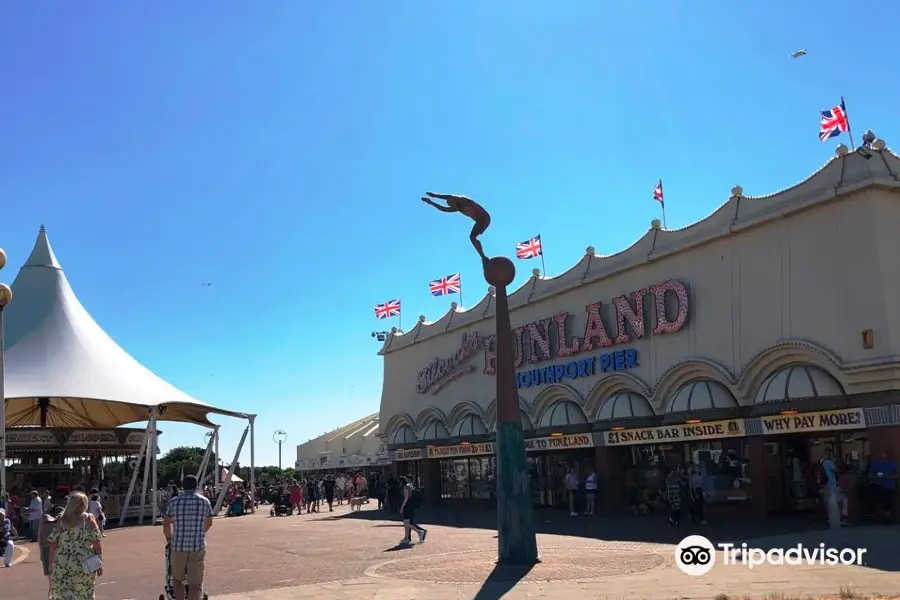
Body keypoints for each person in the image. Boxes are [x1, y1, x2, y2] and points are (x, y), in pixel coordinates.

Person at [163, 475, 213, 600]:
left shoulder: (175, 501)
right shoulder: (204, 501)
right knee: (195, 584)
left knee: (177, 580)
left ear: (182, 486)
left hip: (178, 546)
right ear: (196, 486)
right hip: (197, 546)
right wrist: (201, 532)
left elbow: (166, 523)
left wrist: (169, 539)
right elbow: (209, 522)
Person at [48, 492, 103, 599]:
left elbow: (53, 544)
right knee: (84, 593)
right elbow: (96, 543)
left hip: (62, 563)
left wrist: (51, 564)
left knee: (63, 594)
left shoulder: (61, 519)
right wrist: (99, 561)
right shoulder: (88, 518)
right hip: (84, 563)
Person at [421, 192, 492, 263]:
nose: (452, 206)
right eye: (451, 206)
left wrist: (435, 195)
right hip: (481, 221)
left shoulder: (463, 200)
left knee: (472, 237)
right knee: (472, 238)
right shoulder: (457, 208)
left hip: (484, 218)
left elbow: (448, 196)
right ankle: (483, 256)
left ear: (454, 200)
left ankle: (483, 256)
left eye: (452, 204)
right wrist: (430, 202)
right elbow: (443, 208)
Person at [868, 450, 898, 523]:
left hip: (889, 486)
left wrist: (887, 476)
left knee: (888, 494)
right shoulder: (875, 465)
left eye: (882, 453)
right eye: (879, 453)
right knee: (879, 492)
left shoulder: (892, 464)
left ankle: (887, 514)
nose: (881, 455)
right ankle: (883, 515)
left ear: (886, 455)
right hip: (878, 485)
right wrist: (877, 477)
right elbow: (870, 476)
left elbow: (896, 475)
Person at [399, 477, 426, 546]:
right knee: (407, 522)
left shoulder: (406, 487)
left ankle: (419, 532)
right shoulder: (410, 485)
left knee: (406, 523)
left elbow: (406, 498)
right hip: (412, 506)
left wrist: (402, 508)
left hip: (408, 506)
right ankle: (406, 538)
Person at [39, 505, 64, 575]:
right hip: (60, 548)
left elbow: (39, 536)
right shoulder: (64, 516)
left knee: (50, 577)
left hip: (46, 546)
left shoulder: (44, 517)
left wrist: (41, 552)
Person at [820, 448, 840, 529]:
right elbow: (836, 470)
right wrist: (834, 461)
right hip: (831, 483)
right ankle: (834, 521)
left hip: (824, 484)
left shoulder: (821, 461)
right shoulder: (828, 462)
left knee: (828, 502)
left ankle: (829, 519)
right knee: (833, 503)